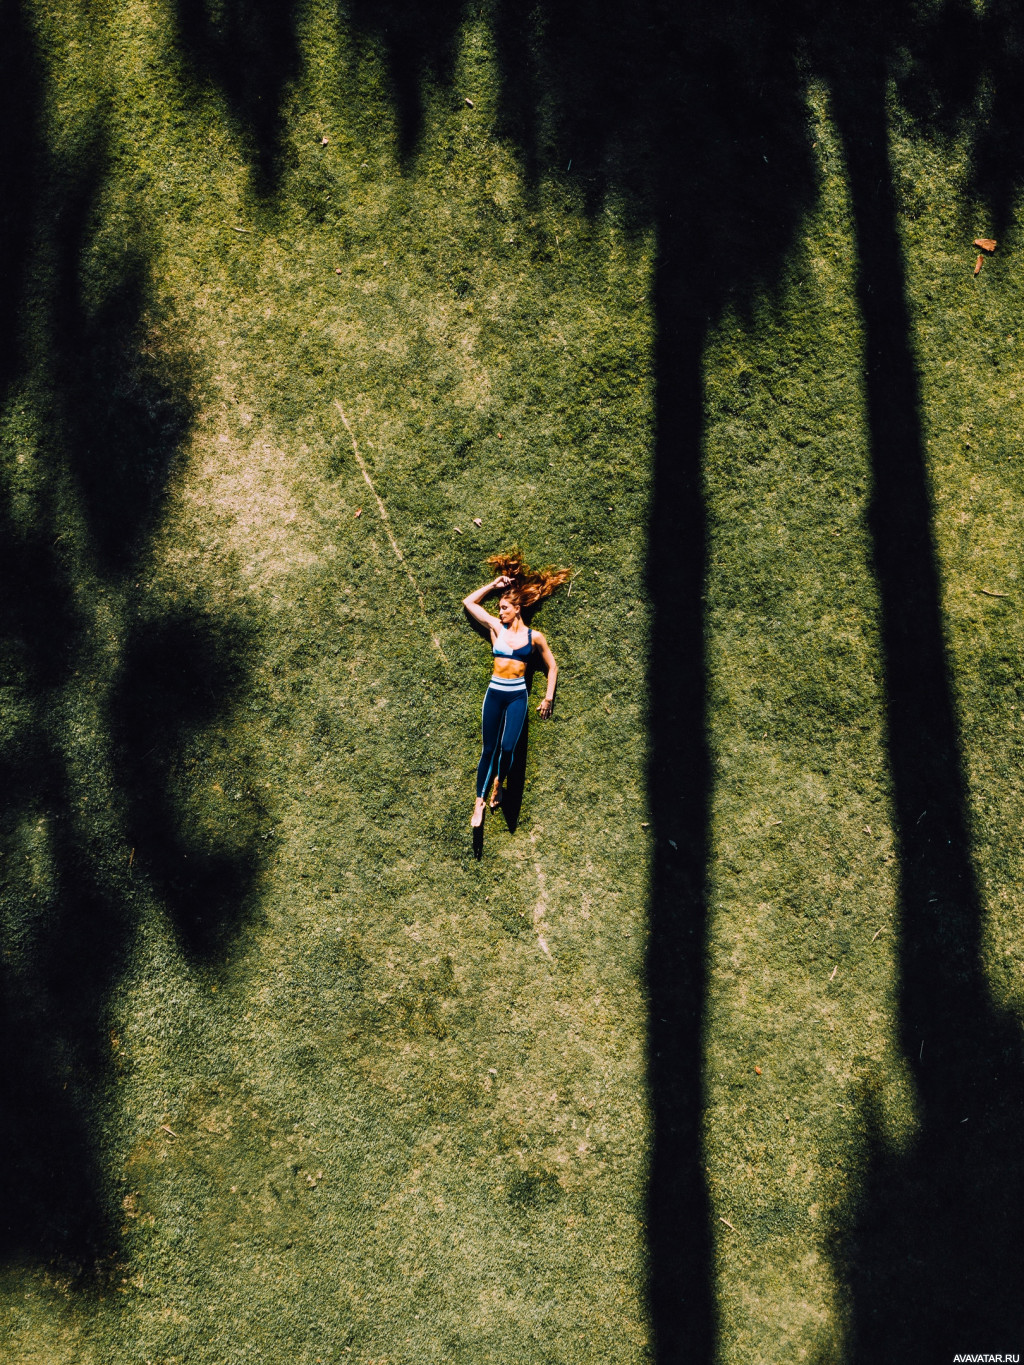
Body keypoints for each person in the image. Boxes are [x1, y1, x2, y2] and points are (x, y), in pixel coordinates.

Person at [462, 551, 570, 829]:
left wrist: (548, 698)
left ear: (517, 608)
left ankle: (499, 782)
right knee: (489, 749)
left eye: (504, 608)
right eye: (498, 608)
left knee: (508, 748)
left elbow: (552, 667)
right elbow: (468, 603)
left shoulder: (535, 637)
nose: (500, 612)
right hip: (495, 693)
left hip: (517, 696)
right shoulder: (497, 628)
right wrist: (493, 586)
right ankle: (478, 801)